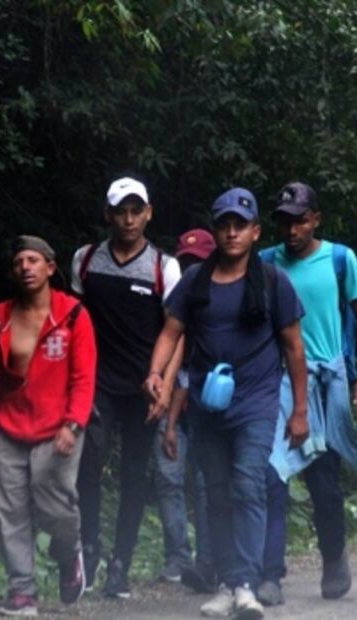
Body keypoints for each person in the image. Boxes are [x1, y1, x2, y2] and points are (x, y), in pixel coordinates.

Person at [145, 188, 309, 620]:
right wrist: (156, 374)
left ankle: (246, 585)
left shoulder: (274, 282)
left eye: (240, 225)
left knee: (247, 484)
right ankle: (224, 581)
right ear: (216, 230)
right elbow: (170, 332)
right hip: (205, 402)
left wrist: (300, 411)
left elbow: (294, 349)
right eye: (224, 224)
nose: (232, 232)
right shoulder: (195, 282)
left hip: (255, 401)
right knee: (214, 492)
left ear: (255, 232)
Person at [0, 235, 97, 616]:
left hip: (59, 426)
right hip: (10, 428)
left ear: (50, 268)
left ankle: (68, 553)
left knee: (55, 507)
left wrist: (73, 424)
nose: (26, 267)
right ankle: (21, 591)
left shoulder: (73, 314)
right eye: (19, 261)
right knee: (12, 510)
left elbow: (84, 377)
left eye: (33, 260)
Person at [259, 181, 357, 603]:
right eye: (284, 222)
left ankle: (333, 555)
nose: (291, 230)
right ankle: (270, 573)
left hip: (328, 380)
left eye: (300, 221)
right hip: (279, 381)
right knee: (271, 474)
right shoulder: (265, 262)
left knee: (322, 481)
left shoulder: (340, 259)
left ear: (316, 220)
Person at [71, 177, 183, 598]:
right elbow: (75, 321)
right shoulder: (85, 261)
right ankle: (89, 550)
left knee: (135, 474)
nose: (129, 219)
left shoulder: (164, 267)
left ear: (149, 213)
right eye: (121, 210)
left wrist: (166, 385)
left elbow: (177, 330)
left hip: (143, 385)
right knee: (88, 466)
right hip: (96, 383)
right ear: (108, 214)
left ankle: (121, 562)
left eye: (137, 210)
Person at [155, 228, 215, 588]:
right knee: (168, 479)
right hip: (171, 403)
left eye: (199, 262)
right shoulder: (171, 306)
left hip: (209, 408)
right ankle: (177, 557)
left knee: (209, 484)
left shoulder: (225, 303)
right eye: (186, 262)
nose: (192, 269)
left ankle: (208, 560)